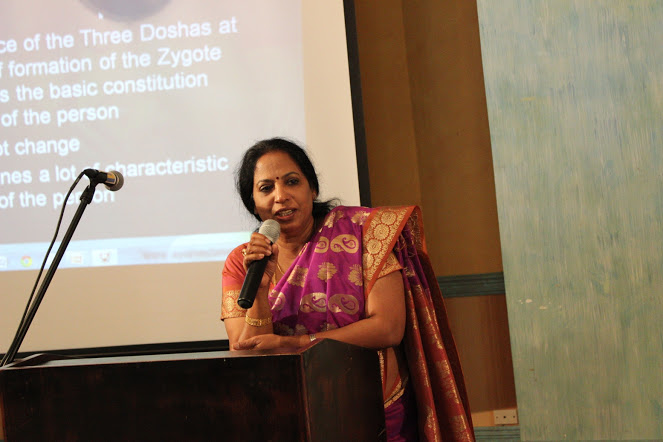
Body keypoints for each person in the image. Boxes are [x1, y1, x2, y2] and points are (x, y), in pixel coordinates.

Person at [221, 138, 474, 441]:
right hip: (290, 417)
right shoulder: (242, 262)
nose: (281, 196)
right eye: (266, 188)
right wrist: (260, 291)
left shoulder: (363, 234)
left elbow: (389, 327)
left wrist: (297, 343)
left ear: (312, 189)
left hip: (375, 412)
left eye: (292, 181)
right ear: (252, 203)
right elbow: (247, 352)